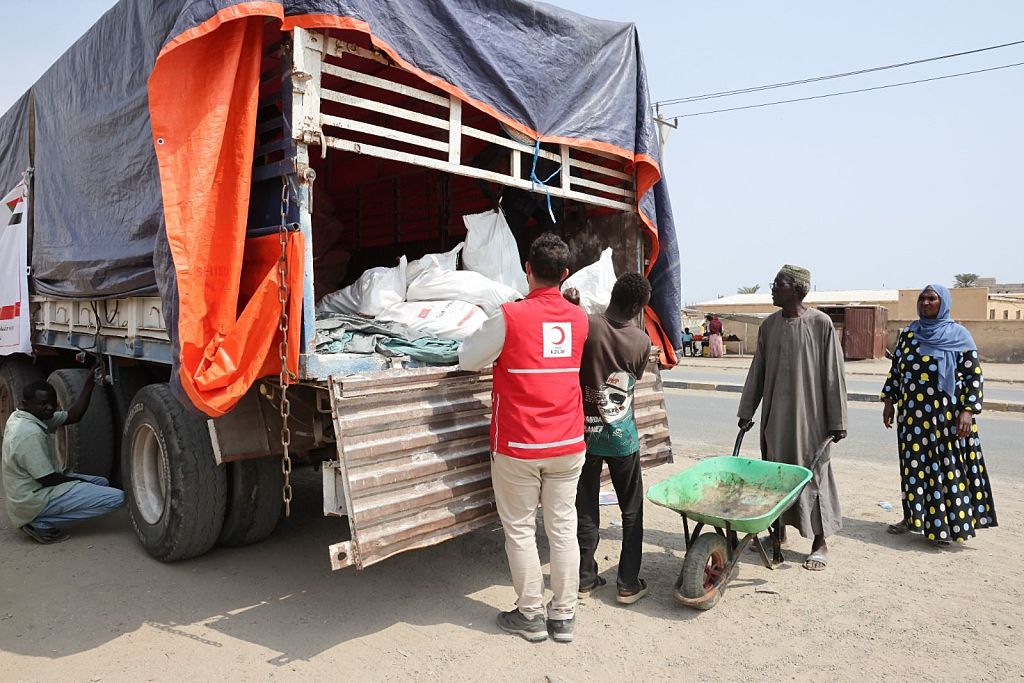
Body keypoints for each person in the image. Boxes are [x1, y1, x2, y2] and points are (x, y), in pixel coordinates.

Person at [459, 233, 589, 644]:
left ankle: (530, 614)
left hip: (518, 444)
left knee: (519, 528)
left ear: (526, 270)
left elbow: (468, 358)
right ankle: (564, 616)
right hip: (568, 443)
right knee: (563, 528)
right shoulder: (580, 319)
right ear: (565, 274)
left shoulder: (510, 317)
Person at [737, 265, 847, 571]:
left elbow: (833, 377)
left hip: (811, 421)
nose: (772, 288)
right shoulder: (769, 326)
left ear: (797, 289)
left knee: (814, 477)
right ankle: (777, 532)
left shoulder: (820, 324)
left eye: (779, 284)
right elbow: (757, 371)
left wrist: (838, 421)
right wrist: (747, 412)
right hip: (776, 418)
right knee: (775, 475)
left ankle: (819, 541)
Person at [881, 284, 997, 546]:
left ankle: (948, 528)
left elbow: (973, 377)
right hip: (912, 417)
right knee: (913, 468)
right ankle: (912, 518)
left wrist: (967, 410)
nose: (925, 303)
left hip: (947, 418)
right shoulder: (910, 333)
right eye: (922, 298)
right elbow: (897, 370)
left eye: (932, 298)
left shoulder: (959, 335)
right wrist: (889, 400)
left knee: (947, 469)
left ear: (943, 302)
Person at [575, 273, 652, 605]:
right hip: (622, 438)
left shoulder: (586, 325)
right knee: (631, 510)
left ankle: (584, 578)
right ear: (636, 306)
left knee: (586, 506)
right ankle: (627, 583)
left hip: (585, 434)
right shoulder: (641, 342)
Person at [2, 365, 124, 544]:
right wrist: (79, 482)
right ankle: (39, 521)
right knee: (117, 498)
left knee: (102, 483)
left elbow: (74, 416)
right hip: (33, 498)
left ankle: (40, 516)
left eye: (52, 402)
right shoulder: (29, 433)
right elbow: (47, 479)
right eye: (43, 403)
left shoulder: (21, 416)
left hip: (29, 491)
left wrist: (89, 384)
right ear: (26, 403)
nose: (50, 408)